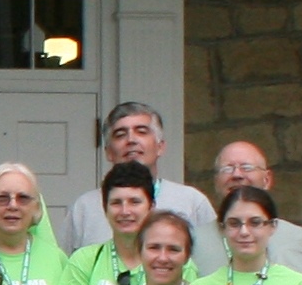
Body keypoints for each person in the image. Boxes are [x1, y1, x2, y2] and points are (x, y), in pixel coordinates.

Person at [58, 103, 219, 253]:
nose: (131, 140)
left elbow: (213, 265)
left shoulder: (192, 202)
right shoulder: (84, 208)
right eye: (120, 134)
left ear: (160, 147)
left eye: (141, 132)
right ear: (109, 152)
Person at [55, 161, 172, 285]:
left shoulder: (173, 262)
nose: (125, 211)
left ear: (151, 207)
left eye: (135, 202)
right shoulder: (84, 261)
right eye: (116, 203)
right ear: (105, 208)